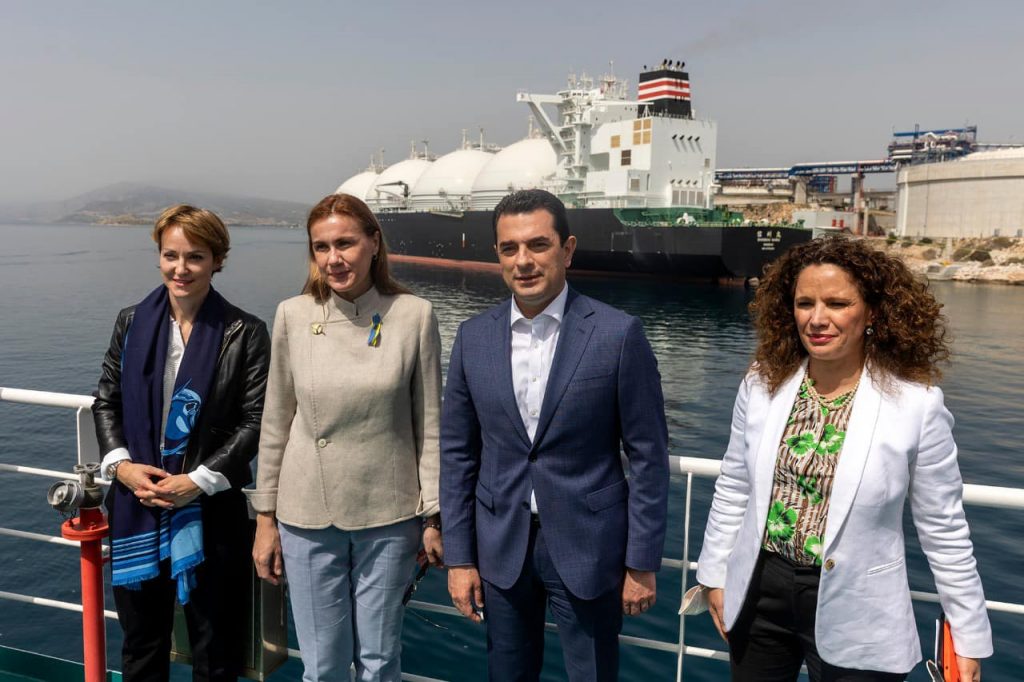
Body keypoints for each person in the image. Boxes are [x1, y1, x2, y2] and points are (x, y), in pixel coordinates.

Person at [696, 237, 993, 681]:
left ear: (871, 312)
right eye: (805, 303)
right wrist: (714, 574)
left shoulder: (917, 405)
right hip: (759, 594)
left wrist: (968, 636)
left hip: (860, 606)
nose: (817, 319)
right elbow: (735, 483)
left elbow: (943, 527)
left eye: (837, 303)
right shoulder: (761, 385)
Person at [440, 189, 670, 681]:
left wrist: (641, 562)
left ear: (567, 250)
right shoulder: (472, 337)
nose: (523, 261)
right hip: (500, 547)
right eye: (509, 248)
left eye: (538, 245)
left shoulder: (618, 334)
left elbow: (649, 456)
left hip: (591, 547)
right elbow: (458, 455)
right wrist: (459, 559)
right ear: (498, 255)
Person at [249, 193, 443, 682]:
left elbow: (431, 425)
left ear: (374, 243)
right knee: (323, 665)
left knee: (380, 660)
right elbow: (275, 423)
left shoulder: (414, 315)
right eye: (322, 247)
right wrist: (265, 519)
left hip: (389, 514)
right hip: (306, 515)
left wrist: (434, 514)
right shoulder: (293, 315)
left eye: (346, 243)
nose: (334, 258)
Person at [93, 204, 270, 681]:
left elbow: (255, 420)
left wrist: (197, 480)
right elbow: (107, 401)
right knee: (142, 644)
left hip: (210, 509)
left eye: (195, 256)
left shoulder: (244, 332)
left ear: (217, 260)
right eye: (171, 255)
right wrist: (122, 467)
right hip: (139, 501)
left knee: (216, 649)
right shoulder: (131, 323)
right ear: (158, 257)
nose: (181, 268)